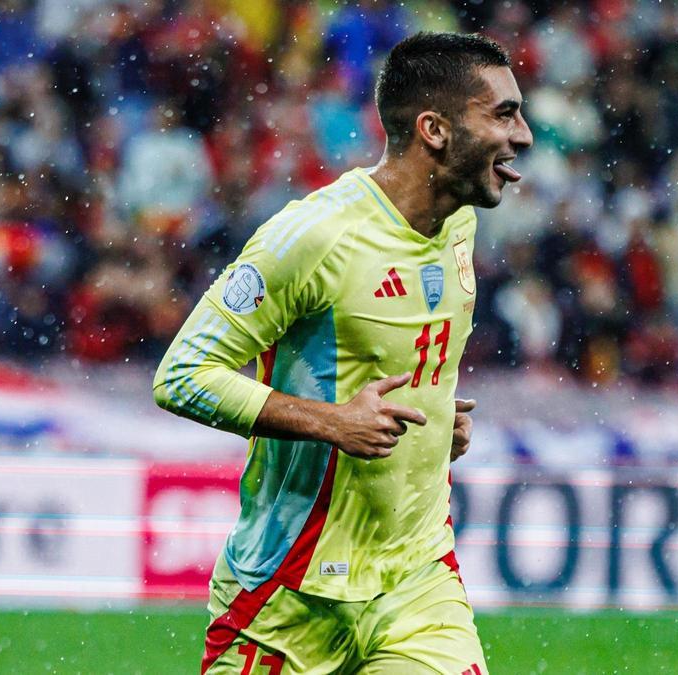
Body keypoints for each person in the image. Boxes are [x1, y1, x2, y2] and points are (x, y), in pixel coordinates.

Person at [151, 32, 532, 674]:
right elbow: (183, 374)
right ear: (434, 129)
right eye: (502, 113)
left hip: (418, 580)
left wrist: (437, 422)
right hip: (289, 596)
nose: (522, 134)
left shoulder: (460, 224)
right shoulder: (316, 236)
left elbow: (392, 362)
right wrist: (331, 423)